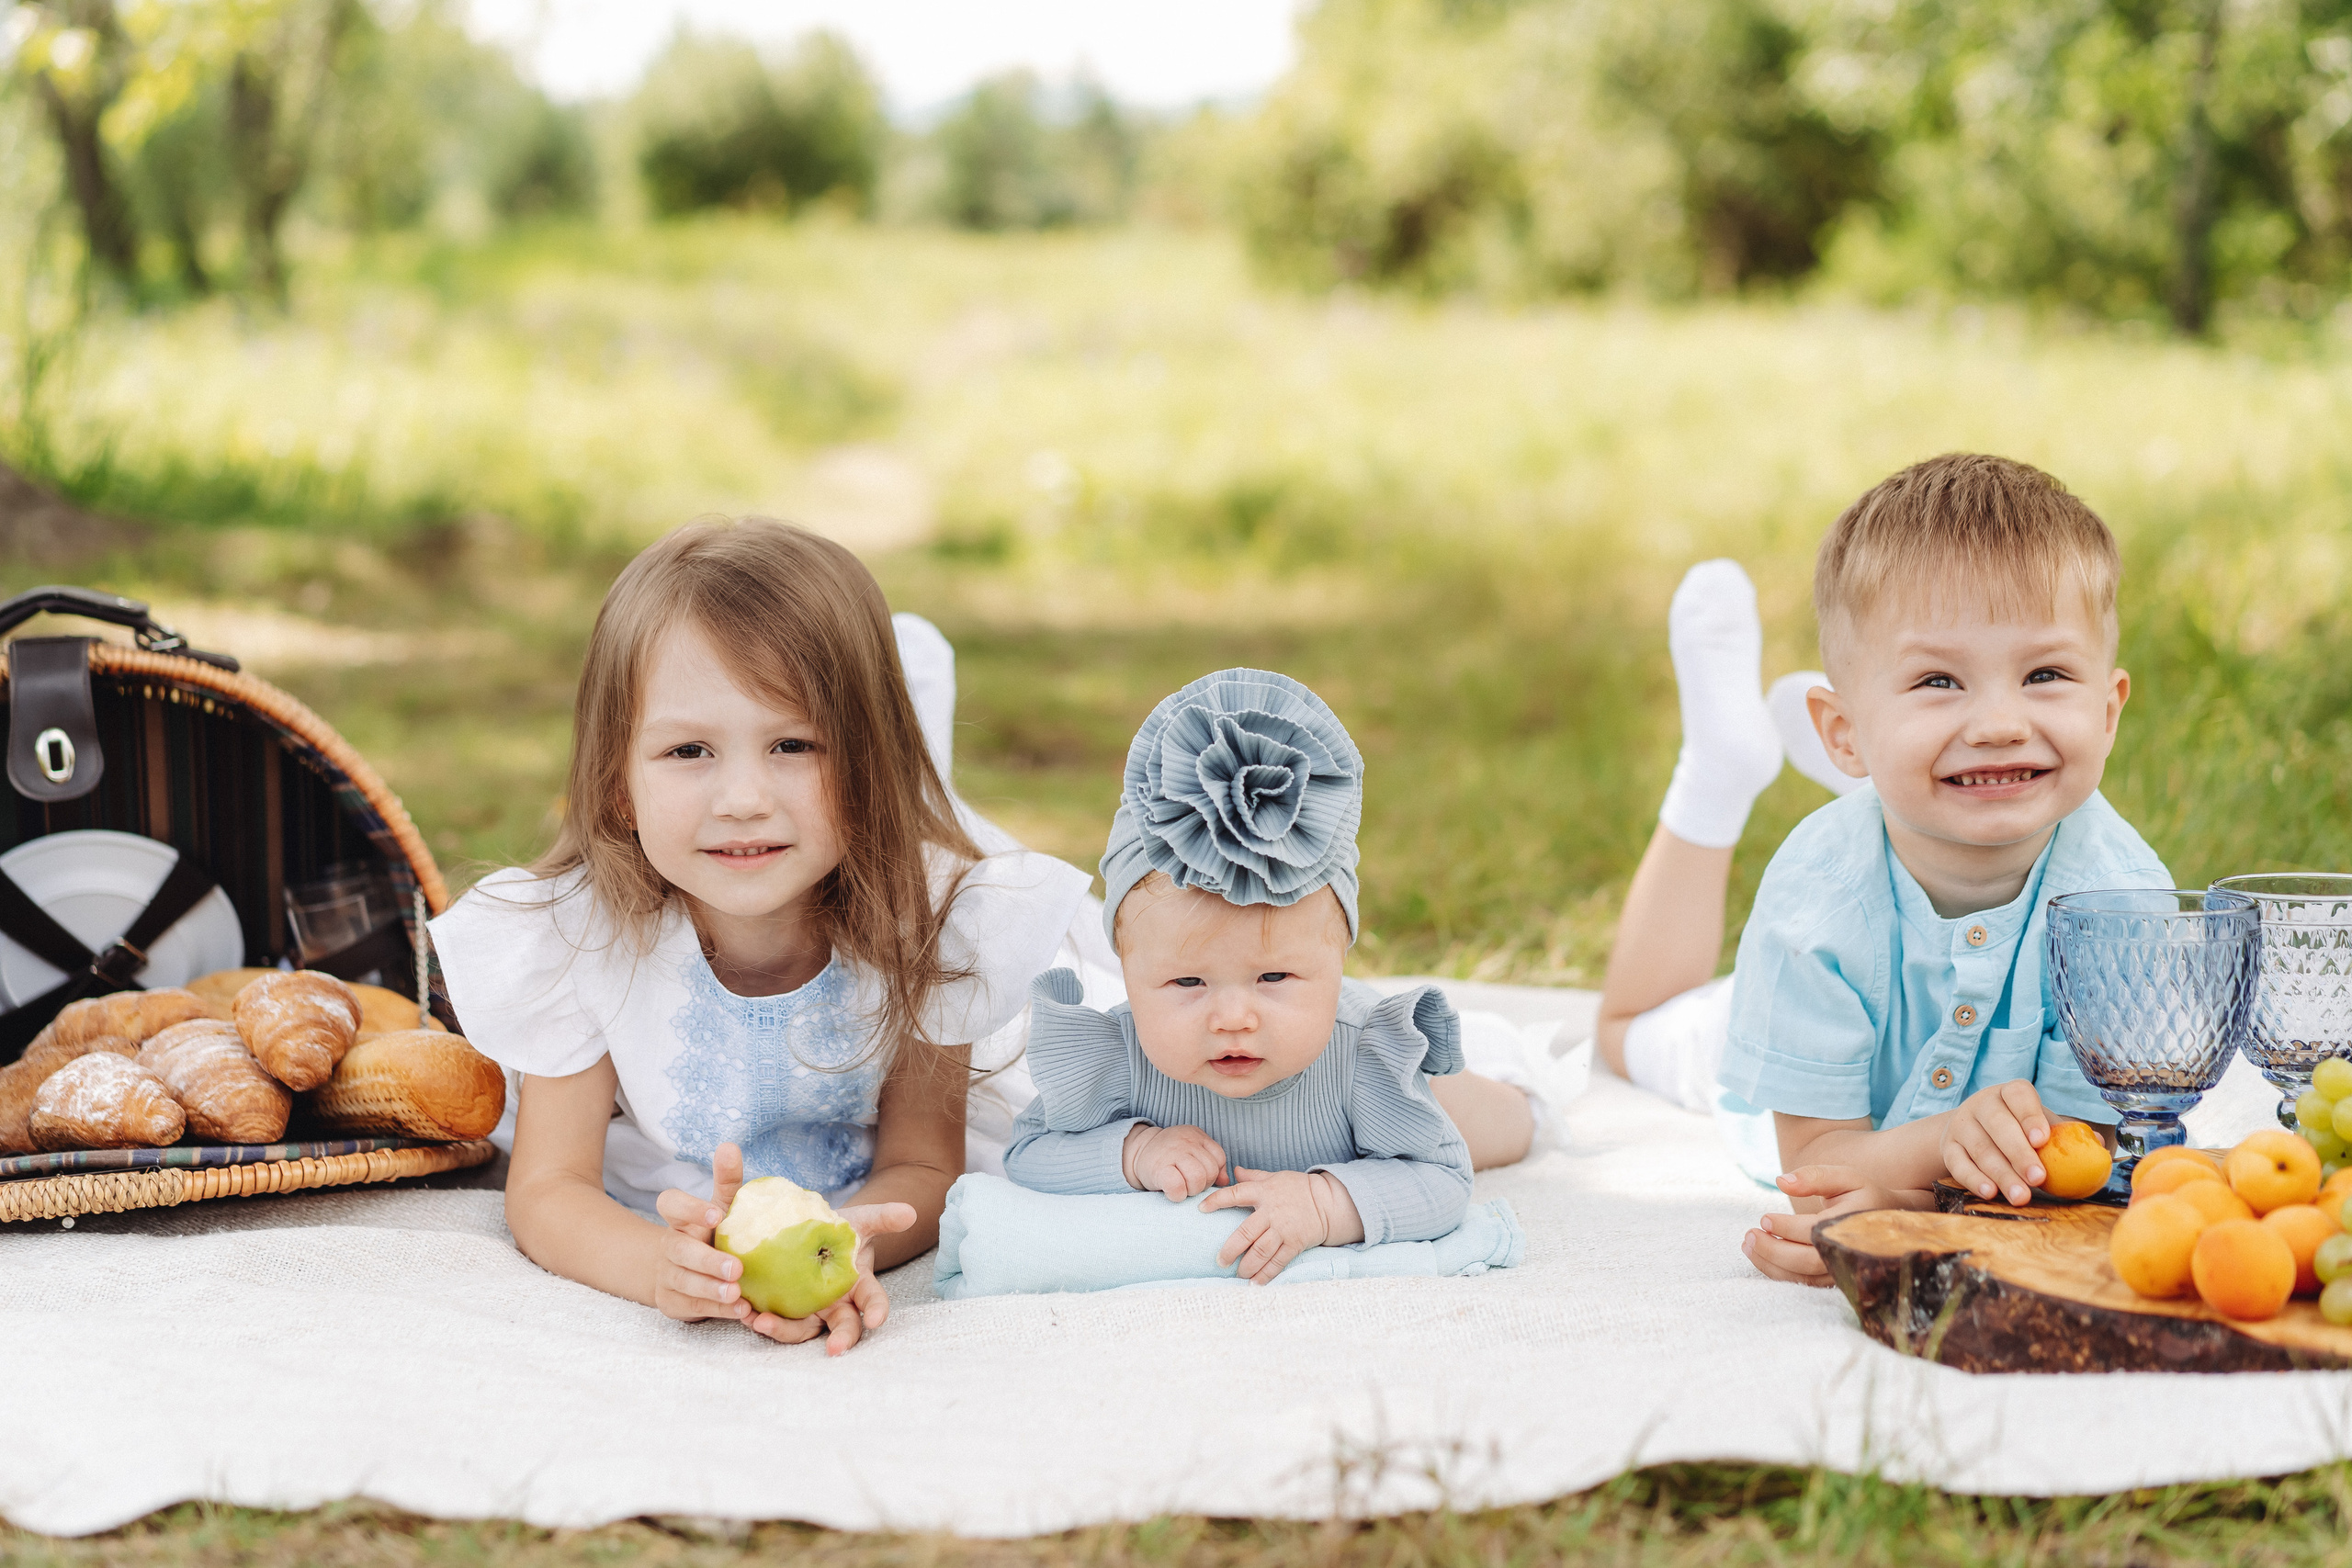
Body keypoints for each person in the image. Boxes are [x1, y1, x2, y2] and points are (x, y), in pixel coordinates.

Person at [430, 520, 1091, 1352]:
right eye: (689, 750)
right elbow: (549, 1188)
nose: (744, 797)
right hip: (663, 1200)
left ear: (872, 767)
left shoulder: (928, 924)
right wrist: (658, 1266)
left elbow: (924, 1164)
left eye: (793, 744)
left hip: (853, 1199)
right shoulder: (585, 937)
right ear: (619, 783)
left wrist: (846, 1251)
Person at [1593, 453, 2191, 1286]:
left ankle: (1901, 767)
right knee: (1625, 1032)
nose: (1999, 723)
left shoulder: (2124, 905)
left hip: (1885, 1024)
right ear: (1842, 731)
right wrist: (1938, 1148)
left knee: (1914, 794)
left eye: (2045, 674)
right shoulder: (1815, 902)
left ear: (2109, 710)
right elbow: (1816, 1162)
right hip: (1802, 1027)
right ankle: (1718, 768)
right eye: (1939, 680)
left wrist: (1904, 1198)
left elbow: (2083, 1166)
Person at [1001, 669, 1482, 1283]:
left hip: (1378, 1072)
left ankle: (1519, 1086)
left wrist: (1324, 1203)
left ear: (1339, 960)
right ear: (1126, 968)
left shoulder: (1364, 1058)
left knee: (1489, 1123)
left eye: (1274, 976)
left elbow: (1444, 1180)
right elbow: (1027, 1152)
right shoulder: (1120, 1058)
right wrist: (1135, 1150)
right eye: (1188, 983)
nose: (1233, 1018)